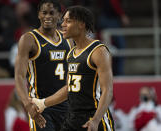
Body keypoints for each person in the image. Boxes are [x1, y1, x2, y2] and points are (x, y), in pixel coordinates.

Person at [33, 6, 115, 131]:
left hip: (94, 117)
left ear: (81, 24)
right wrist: (43, 103)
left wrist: (96, 119)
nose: (63, 25)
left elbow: (107, 90)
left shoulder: (98, 51)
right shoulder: (71, 53)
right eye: (63, 20)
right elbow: (68, 89)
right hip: (73, 118)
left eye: (68, 21)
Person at [15, 0, 72, 130]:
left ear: (59, 16)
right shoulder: (29, 39)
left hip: (66, 106)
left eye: (51, 13)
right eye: (44, 13)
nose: (47, 16)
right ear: (38, 15)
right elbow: (19, 76)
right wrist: (27, 104)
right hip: (40, 106)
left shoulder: (68, 40)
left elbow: (73, 77)